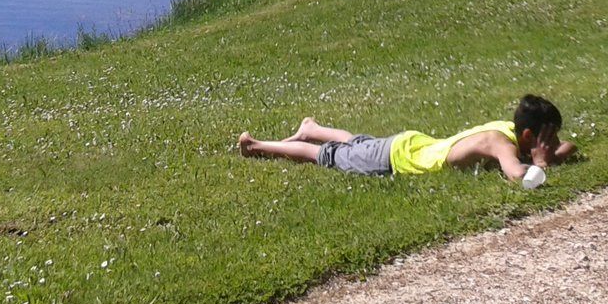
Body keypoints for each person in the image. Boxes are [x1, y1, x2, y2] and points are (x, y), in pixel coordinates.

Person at [237, 94, 577, 189]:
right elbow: (519, 176)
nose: (555, 141)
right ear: (530, 136)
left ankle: (312, 126)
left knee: (358, 145)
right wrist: (543, 163)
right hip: (396, 160)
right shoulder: (500, 145)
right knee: (325, 157)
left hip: (411, 145)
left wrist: (556, 152)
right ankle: (258, 146)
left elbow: (567, 149)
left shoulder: (509, 131)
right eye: (550, 136)